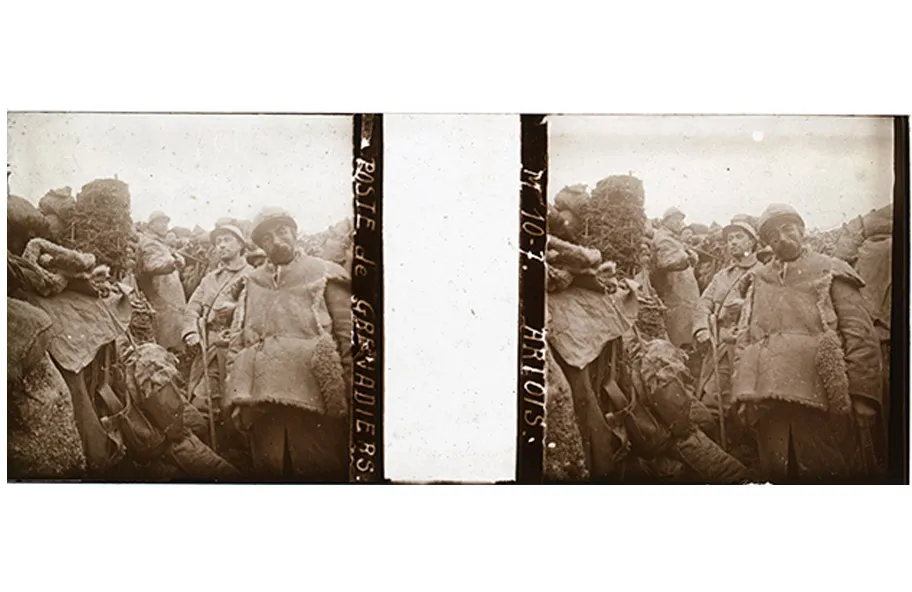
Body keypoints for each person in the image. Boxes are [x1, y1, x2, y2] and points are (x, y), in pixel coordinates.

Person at [731, 203, 882, 483]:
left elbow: (859, 334)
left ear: (802, 229)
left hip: (823, 399)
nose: (782, 238)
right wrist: (743, 390)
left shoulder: (830, 270)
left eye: (788, 228)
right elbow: (745, 338)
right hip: (769, 401)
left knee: (828, 474)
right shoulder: (758, 280)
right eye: (773, 235)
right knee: (778, 473)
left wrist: (863, 397)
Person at [224, 207, 353, 481]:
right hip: (263, 406)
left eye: (282, 231)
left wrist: (349, 398)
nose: (278, 241)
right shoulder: (252, 282)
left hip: (314, 404)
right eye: (267, 238)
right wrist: (237, 395)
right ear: (261, 246)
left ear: (295, 232)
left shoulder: (325, 273)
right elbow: (237, 340)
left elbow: (347, 339)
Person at [692, 214, 761, 450]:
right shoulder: (722, 276)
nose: (733, 243)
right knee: (711, 402)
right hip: (720, 348)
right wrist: (702, 329)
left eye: (739, 237)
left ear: (752, 242)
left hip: (752, 351)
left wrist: (744, 306)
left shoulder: (764, 272)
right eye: (730, 239)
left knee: (749, 405)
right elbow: (703, 304)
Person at [181, 223, 252, 450]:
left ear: (240, 244)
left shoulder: (253, 275)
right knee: (202, 402)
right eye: (218, 241)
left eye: (227, 240)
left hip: (240, 351)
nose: (221, 245)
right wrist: (191, 331)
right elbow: (192, 308)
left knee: (238, 405)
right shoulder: (210, 279)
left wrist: (236, 308)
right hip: (210, 349)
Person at [650, 206, 701, 349]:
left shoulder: (675, 239)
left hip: (683, 296)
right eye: (676, 219)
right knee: (678, 339)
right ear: (666, 221)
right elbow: (665, 261)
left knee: (686, 335)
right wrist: (686, 259)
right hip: (674, 295)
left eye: (681, 220)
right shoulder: (663, 238)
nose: (680, 223)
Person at [137, 211, 187, 351]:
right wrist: (172, 264)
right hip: (160, 297)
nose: (165, 225)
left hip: (170, 297)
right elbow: (151, 265)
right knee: (165, 340)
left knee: (174, 334)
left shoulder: (161, 243)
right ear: (151, 225)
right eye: (161, 222)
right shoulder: (149, 243)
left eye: (166, 222)